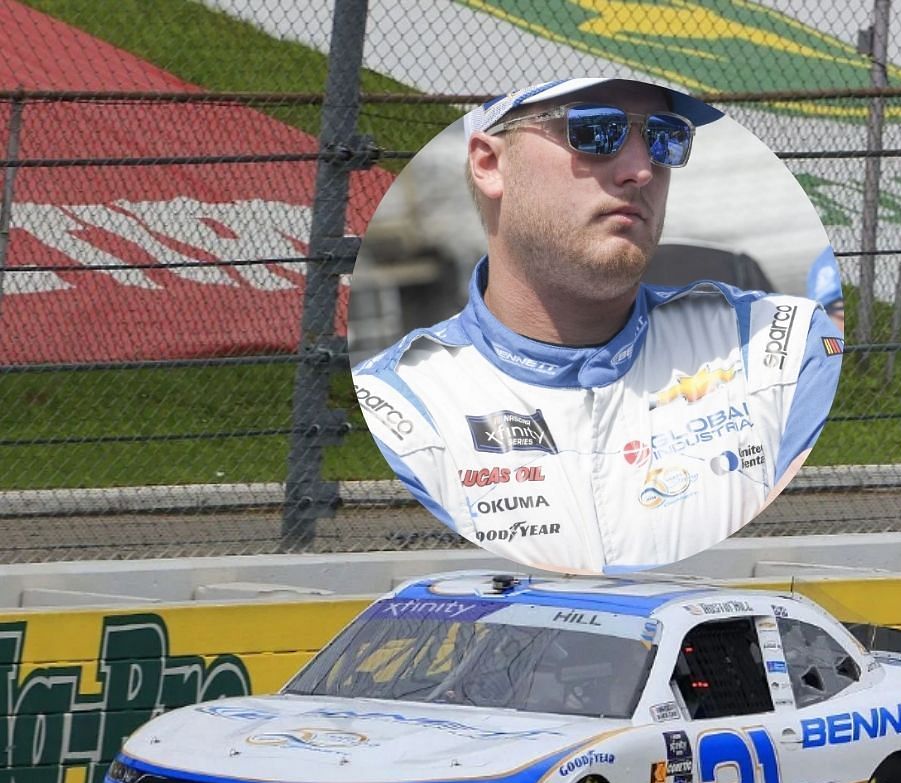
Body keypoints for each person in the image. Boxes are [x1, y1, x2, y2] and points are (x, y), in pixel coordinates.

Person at [353, 78, 843, 574]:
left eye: (663, 137)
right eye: (594, 131)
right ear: (490, 163)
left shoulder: (781, 347)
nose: (640, 170)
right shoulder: (399, 413)